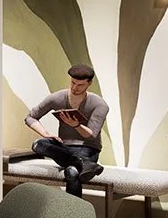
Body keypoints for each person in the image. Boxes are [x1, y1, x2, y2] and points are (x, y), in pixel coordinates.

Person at [24, 63, 108, 197]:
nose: (75, 87)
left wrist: (76, 125)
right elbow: (30, 117)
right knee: (38, 145)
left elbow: (91, 136)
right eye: (73, 83)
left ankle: (73, 214)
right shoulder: (57, 97)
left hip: (88, 148)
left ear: (89, 83)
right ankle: (83, 163)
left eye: (80, 85)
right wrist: (46, 134)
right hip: (63, 147)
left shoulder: (99, 104)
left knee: (72, 172)